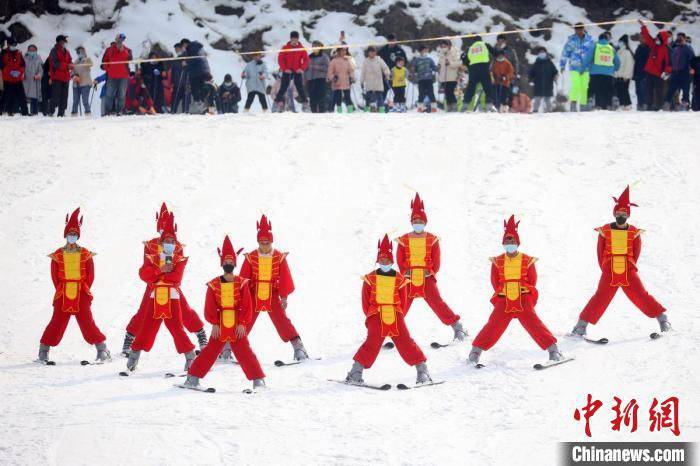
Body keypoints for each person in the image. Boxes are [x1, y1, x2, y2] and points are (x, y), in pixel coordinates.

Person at [571, 186, 670, 338]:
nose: (621, 215)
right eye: (618, 213)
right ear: (614, 213)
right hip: (610, 268)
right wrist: (606, 267)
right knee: (601, 296)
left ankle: (663, 320)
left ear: (628, 215)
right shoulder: (605, 230)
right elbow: (600, 251)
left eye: (624, 213)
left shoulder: (634, 232)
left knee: (640, 294)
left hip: (628, 268)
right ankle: (581, 326)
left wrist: (629, 265)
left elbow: (636, 252)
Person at [468, 216, 562, 367]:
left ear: (517, 243)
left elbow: (533, 280)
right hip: (504, 299)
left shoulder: (527, 260)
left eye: (512, 242)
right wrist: (503, 292)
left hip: (523, 298)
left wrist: (524, 292)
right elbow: (495, 281)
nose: (509, 244)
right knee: (493, 324)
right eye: (507, 242)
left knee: (534, 323)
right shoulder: (497, 261)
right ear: (503, 243)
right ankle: (475, 352)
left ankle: (553, 350)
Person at [180, 236, 266, 392]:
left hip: (237, 325)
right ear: (222, 263)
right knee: (210, 351)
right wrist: (214, 323)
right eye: (226, 262)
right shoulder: (214, 284)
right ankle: (192, 378)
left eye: (231, 261)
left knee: (245, 351)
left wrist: (242, 323)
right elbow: (210, 306)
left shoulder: (242, 283)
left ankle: (258, 380)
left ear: (235, 263)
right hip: (219, 325)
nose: (229, 264)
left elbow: (247, 304)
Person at [121, 204, 208, 357]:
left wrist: (165, 277)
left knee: (184, 311)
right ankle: (129, 339)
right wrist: (157, 274)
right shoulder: (150, 244)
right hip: (153, 285)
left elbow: (178, 270)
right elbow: (145, 268)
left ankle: (201, 335)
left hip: (172, 286)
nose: (163, 228)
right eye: (161, 224)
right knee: (144, 313)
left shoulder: (177, 245)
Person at [345, 235, 431, 386]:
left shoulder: (400, 279)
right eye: (382, 260)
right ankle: (355, 372)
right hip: (376, 314)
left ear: (392, 261)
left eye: (387, 260)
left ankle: (422, 371)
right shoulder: (370, 278)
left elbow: (403, 302)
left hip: (395, 314)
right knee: (372, 342)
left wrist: (397, 314)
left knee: (405, 341)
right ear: (378, 261)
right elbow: (365, 301)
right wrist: (371, 316)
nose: (384, 262)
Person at [37, 208, 111, 364]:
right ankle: (43, 351)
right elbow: (54, 276)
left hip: (80, 292)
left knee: (87, 322)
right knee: (56, 322)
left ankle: (102, 349)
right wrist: (62, 287)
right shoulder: (58, 254)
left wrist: (82, 288)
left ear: (78, 236)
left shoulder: (85, 253)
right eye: (70, 233)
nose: (72, 236)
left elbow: (90, 275)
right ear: (66, 235)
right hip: (63, 293)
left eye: (75, 234)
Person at [396, 194, 467, 342]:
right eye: (415, 220)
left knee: (437, 303)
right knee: (401, 305)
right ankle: (389, 332)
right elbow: (400, 259)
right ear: (411, 222)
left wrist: (431, 271)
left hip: (426, 277)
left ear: (425, 221)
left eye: (420, 220)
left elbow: (436, 260)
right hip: (409, 278)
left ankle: (457, 326)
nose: (417, 222)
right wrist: (405, 271)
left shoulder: (432, 239)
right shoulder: (403, 239)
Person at [240, 215, 309, 361]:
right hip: (254, 294)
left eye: (267, 242)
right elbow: (243, 280)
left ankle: (298, 347)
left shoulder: (279, 257)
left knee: (282, 320)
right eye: (262, 242)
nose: (264, 244)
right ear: (258, 241)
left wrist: (284, 297)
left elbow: (285, 277)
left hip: (272, 293)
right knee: (244, 320)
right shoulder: (250, 257)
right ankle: (228, 347)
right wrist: (243, 298)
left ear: (271, 241)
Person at [560, 23, 594, 111]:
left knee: (584, 86)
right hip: (575, 66)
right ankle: (573, 104)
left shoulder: (589, 40)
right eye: (577, 29)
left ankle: (583, 105)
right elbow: (565, 53)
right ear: (574, 30)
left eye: (580, 29)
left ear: (583, 29)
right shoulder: (571, 40)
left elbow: (592, 54)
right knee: (576, 85)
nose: (578, 31)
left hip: (586, 67)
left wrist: (592, 65)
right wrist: (562, 65)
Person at [638, 20, 671, 111]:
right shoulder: (654, 45)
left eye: (658, 38)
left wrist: (666, 73)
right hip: (649, 72)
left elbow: (669, 63)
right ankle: (649, 105)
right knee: (648, 90)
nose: (656, 40)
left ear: (662, 39)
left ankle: (658, 106)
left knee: (659, 91)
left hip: (659, 74)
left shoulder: (666, 50)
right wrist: (643, 26)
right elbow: (647, 37)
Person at [275, 31, 309, 112]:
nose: (294, 41)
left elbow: (306, 59)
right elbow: (280, 59)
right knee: (283, 86)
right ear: (290, 39)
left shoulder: (301, 48)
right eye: (293, 39)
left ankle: (305, 104)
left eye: (296, 39)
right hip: (287, 71)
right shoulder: (285, 48)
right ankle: (278, 104)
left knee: (300, 87)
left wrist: (302, 68)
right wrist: (284, 68)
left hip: (297, 70)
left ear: (298, 39)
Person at [584, 32, 620, 110]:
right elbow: (618, 61)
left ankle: (591, 99)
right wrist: (614, 69)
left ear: (599, 39)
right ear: (606, 39)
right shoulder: (611, 48)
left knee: (593, 88)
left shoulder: (595, 46)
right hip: (608, 74)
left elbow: (587, 58)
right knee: (608, 89)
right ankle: (613, 98)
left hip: (595, 73)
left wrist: (586, 67)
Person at [461, 36, 496, 112]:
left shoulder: (470, 48)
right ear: (481, 40)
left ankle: (465, 105)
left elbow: (464, 59)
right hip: (484, 68)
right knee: (488, 87)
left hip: (473, 70)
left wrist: (469, 66)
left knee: (471, 88)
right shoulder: (485, 45)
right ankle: (489, 105)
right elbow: (495, 52)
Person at [102, 33, 132, 115]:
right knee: (109, 94)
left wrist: (122, 51)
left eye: (122, 40)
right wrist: (109, 69)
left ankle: (120, 111)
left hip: (123, 76)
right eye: (119, 39)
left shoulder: (127, 50)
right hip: (112, 76)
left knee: (122, 94)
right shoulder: (109, 50)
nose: (120, 41)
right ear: (116, 40)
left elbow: (130, 58)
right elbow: (104, 61)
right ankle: (108, 111)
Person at [665, 32, 695, 110]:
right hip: (675, 72)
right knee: (671, 89)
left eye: (681, 38)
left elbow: (692, 58)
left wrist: (691, 69)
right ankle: (667, 104)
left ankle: (685, 105)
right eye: (678, 38)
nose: (679, 39)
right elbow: (672, 60)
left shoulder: (688, 48)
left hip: (684, 72)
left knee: (685, 90)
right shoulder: (675, 49)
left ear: (684, 39)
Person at [180, 38, 210, 111]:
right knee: (200, 87)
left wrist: (186, 64)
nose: (183, 48)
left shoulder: (192, 47)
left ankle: (200, 104)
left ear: (185, 44)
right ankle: (202, 103)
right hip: (202, 70)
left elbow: (195, 59)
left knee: (195, 88)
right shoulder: (197, 46)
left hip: (197, 72)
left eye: (182, 46)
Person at [0, 37, 28, 115]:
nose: (14, 46)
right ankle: (10, 112)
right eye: (12, 44)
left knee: (22, 96)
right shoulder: (3, 53)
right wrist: (10, 72)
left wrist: (19, 72)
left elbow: (23, 65)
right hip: (8, 79)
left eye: (15, 44)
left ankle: (25, 112)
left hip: (18, 79)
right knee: (9, 96)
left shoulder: (19, 53)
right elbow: (2, 66)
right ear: (8, 44)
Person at [378, 33, 407, 106]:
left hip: (397, 76)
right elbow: (378, 61)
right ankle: (380, 106)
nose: (392, 42)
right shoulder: (383, 50)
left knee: (399, 92)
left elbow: (405, 62)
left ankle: (400, 105)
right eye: (390, 41)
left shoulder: (400, 50)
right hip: (386, 75)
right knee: (383, 91)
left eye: (393, 40)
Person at [48, 35, 73, 117]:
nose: (66, 43)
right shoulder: (53, 51)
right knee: (55, 95)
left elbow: (70, 60)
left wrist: (71, 65)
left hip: (66, 77)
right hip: (57, 77)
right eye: (64, 41)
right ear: (59, 42)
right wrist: (66, 66)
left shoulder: (67, 51)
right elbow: (54, 63)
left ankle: (61, 113)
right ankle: (50, 111)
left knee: (64, 96)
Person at [528, 46, 558, 113]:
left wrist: (555, 76)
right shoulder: (536, 63)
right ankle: (535, 110)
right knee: (537, 99)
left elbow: (555, 71)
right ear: (538, 54)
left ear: (546, 53)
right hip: (538, 84)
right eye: (540, 52)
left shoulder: (549, 63)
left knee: (547, 99)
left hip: (548, 83)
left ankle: (549, 111)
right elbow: (531, 72)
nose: (542, 53)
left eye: (543, 52)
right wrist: (530, 79)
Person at [361, 46, 390, 112]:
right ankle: (367, 111)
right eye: (371, 52)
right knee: (368, 98)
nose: (372, 53)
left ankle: (381, 110)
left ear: (376, 52)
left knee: (380, 97)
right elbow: (363, 72)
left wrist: (387, 75)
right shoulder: (366, 62)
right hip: (369, 83)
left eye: (374, 52)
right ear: (368, 53)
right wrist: (361, 81)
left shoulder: (379, 60)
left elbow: (385, 68)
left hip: (378, 82)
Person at [327, 46, 355, 113]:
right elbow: (330, 72)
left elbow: (351, 70)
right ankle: (340, 112)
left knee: (348, 97)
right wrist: (333, 77)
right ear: (338, 51)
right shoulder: (334, 61)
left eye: (345, 51)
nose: (344, 52)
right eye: (342, 50)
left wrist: (351, 77)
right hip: (337, 82)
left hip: (346, 82)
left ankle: (350, 111)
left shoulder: (347, 60)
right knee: (338, 98)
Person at [410, 45, 437, 112]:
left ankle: (433, 107)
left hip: (429, 79)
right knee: (421, 93)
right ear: (420, 52)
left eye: (426, 51)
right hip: (421, 79)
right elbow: (414, 68)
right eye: (423, 51)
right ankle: (420, 107)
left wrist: (438, 67)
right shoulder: (417, 60)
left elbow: (434, 67)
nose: (425, 52)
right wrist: (413, 70)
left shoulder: (429, 59)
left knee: (431, 93)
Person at [436, 39, 461, 111]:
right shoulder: (441, 53)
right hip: (444, 76)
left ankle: (454, 107)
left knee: (450, 91)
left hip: (453, 76)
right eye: (442, 46)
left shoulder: (455, 51)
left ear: (449, 45)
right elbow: (440, 62)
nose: (443, 47)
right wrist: (439, 65)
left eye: (445, 45)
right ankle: (449, 107)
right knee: (447, 92)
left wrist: (450, 63)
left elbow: (459, 63)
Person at [305, 41, 330, 113]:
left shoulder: (324, 56)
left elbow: (327, 67)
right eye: (313, 47)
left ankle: (322, 112)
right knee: (312, 97)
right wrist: (304, 78)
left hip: (320, 79)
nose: (314, 48)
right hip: (310, 80)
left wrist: (316, 67)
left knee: (321, 97)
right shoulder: (309, 57)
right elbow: (305, 69)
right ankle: (314, 113)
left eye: (316, 46)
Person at [70, 46, 92, 116]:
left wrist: (85, 57)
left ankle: (88, 113)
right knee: (75, 101)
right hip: (76, 83)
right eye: (77, 52)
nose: (78, 53)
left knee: (85, 100)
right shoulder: (75, 61)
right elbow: (72, 71)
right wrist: (74, 76)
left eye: (79, 51)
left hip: (85, 83)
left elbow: (90, 64)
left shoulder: (87, 59)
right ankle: (74, 114)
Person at [614, 35, 634, 110]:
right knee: (619, 90)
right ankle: (622, 104)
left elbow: (629, 65)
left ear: (625, 43)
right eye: (619, 42)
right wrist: (615, 74)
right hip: (618, 75)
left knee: (624, 90)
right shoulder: (618, 52)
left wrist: (626, 75)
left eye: (621, 42)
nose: (619, 43)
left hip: (625, 76)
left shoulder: (627, 52)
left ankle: (628, 104)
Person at [23, 44, 42, 115]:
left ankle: (34, 112)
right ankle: (24, 111)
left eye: (33, 50)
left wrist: (39, 75)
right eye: (30, 50)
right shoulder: (24, 58)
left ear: (36, 51)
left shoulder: (38, 58)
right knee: (24, 95)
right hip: (26, 80)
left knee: (34, 96)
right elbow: (21, 68)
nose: (32, 51)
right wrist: (22, 74)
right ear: (28, 50)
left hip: (35, 80)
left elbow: (41, 70)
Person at [170, 42, 189, 113]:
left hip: (185, 83)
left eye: (177, 49)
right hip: (176, 83)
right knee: (174, 100)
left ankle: (185, 112)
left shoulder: (187, 57)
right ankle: (172, 112)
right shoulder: (176, 59)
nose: (176, 51)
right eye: (175, 49)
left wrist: (186, 65)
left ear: (181, 48)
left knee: (185, 100)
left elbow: (191, 68)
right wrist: (172, 82)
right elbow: (173, 72)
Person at [633, 41, 650, 110]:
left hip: (645, 73)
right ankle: (639, 103)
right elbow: (636, 61)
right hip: (637, 72)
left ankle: (645, 104)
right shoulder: (638, 48)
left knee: (644, 90)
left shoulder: (648, 49)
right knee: (638, 90)